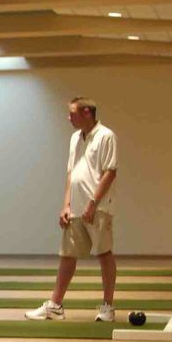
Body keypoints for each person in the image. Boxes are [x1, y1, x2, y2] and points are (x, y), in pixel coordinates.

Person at [26, 97, 118, 322]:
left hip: (98, 208)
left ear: (87, 112)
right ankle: (55, 305)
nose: (68, 118)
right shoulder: (75, 138)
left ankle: (108, 307)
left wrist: (92, 204)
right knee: (67, 255)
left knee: (104, 254)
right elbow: (71, 172)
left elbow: (110, 172)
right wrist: (66, 204)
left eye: (72, 114)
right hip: (76, 207)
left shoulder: (106, 136)